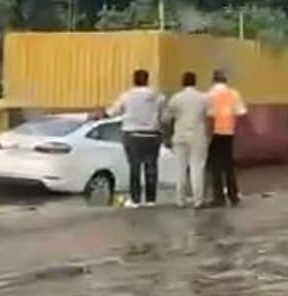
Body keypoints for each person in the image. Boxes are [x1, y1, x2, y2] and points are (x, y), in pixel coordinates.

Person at [106, 69, 166, 208]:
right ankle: (151, 199)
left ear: (134, 80)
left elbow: (113, 112)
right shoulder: (158, 96)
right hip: (152, 135)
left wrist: (102, 113)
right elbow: (163, 116)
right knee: (151, 167)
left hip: (132, 135)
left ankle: (135, 199)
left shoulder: (127, 96)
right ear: (147, 79)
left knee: (135, 167)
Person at [163, 71, 210, 209]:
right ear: (195, 82)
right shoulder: (203, 98)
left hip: (180, 136)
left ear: (182, 82)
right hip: (197, 135)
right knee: (197, 168)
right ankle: (198, 200)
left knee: (180, 168)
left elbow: (166, 119)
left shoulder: (176, 98)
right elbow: (209, 115)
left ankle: (180, 199)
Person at [205, 69, 247, 207]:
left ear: (213, 79)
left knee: (215, 166)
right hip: (229, 132)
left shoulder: (210, 94)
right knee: (229, 165)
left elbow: (208, 115)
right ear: (225, 80)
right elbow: (241, 113)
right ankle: (233, 195)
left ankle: (219, 198)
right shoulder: (233, 93)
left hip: (215, 133)